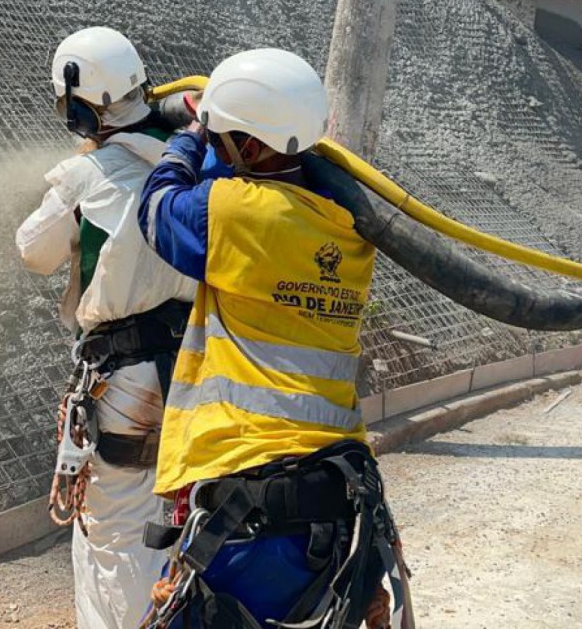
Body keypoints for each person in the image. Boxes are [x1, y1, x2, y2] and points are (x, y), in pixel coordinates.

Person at [136, 48, 407, 628]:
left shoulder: (237, 213)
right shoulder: (345, 229)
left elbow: (157, 209)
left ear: (252, 148)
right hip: (335, 502)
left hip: (248, 501)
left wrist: (190, 136)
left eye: (225, 137)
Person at [16, 26, 198, 629]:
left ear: (79, 106)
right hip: (199, 371)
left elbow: (33, 251)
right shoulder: (193, 161)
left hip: (127, 387)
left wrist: (74, 184)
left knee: (117, 534)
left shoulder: (88, 176)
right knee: (190, 519)